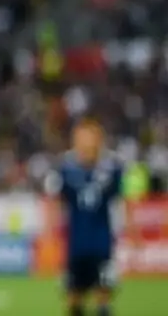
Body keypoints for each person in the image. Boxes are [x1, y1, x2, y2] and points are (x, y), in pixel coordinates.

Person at [48, 118, 123, 316]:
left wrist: (132, 232)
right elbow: (56, 201)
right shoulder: (65, 168)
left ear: (99, 140)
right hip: (76, 243)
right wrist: (51, 231)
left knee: (103, 297)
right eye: (81, 138)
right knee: (74, 298)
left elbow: (122, 200)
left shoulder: (112, 168)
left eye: (89, 137)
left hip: (103, 242)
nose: (85, 142)